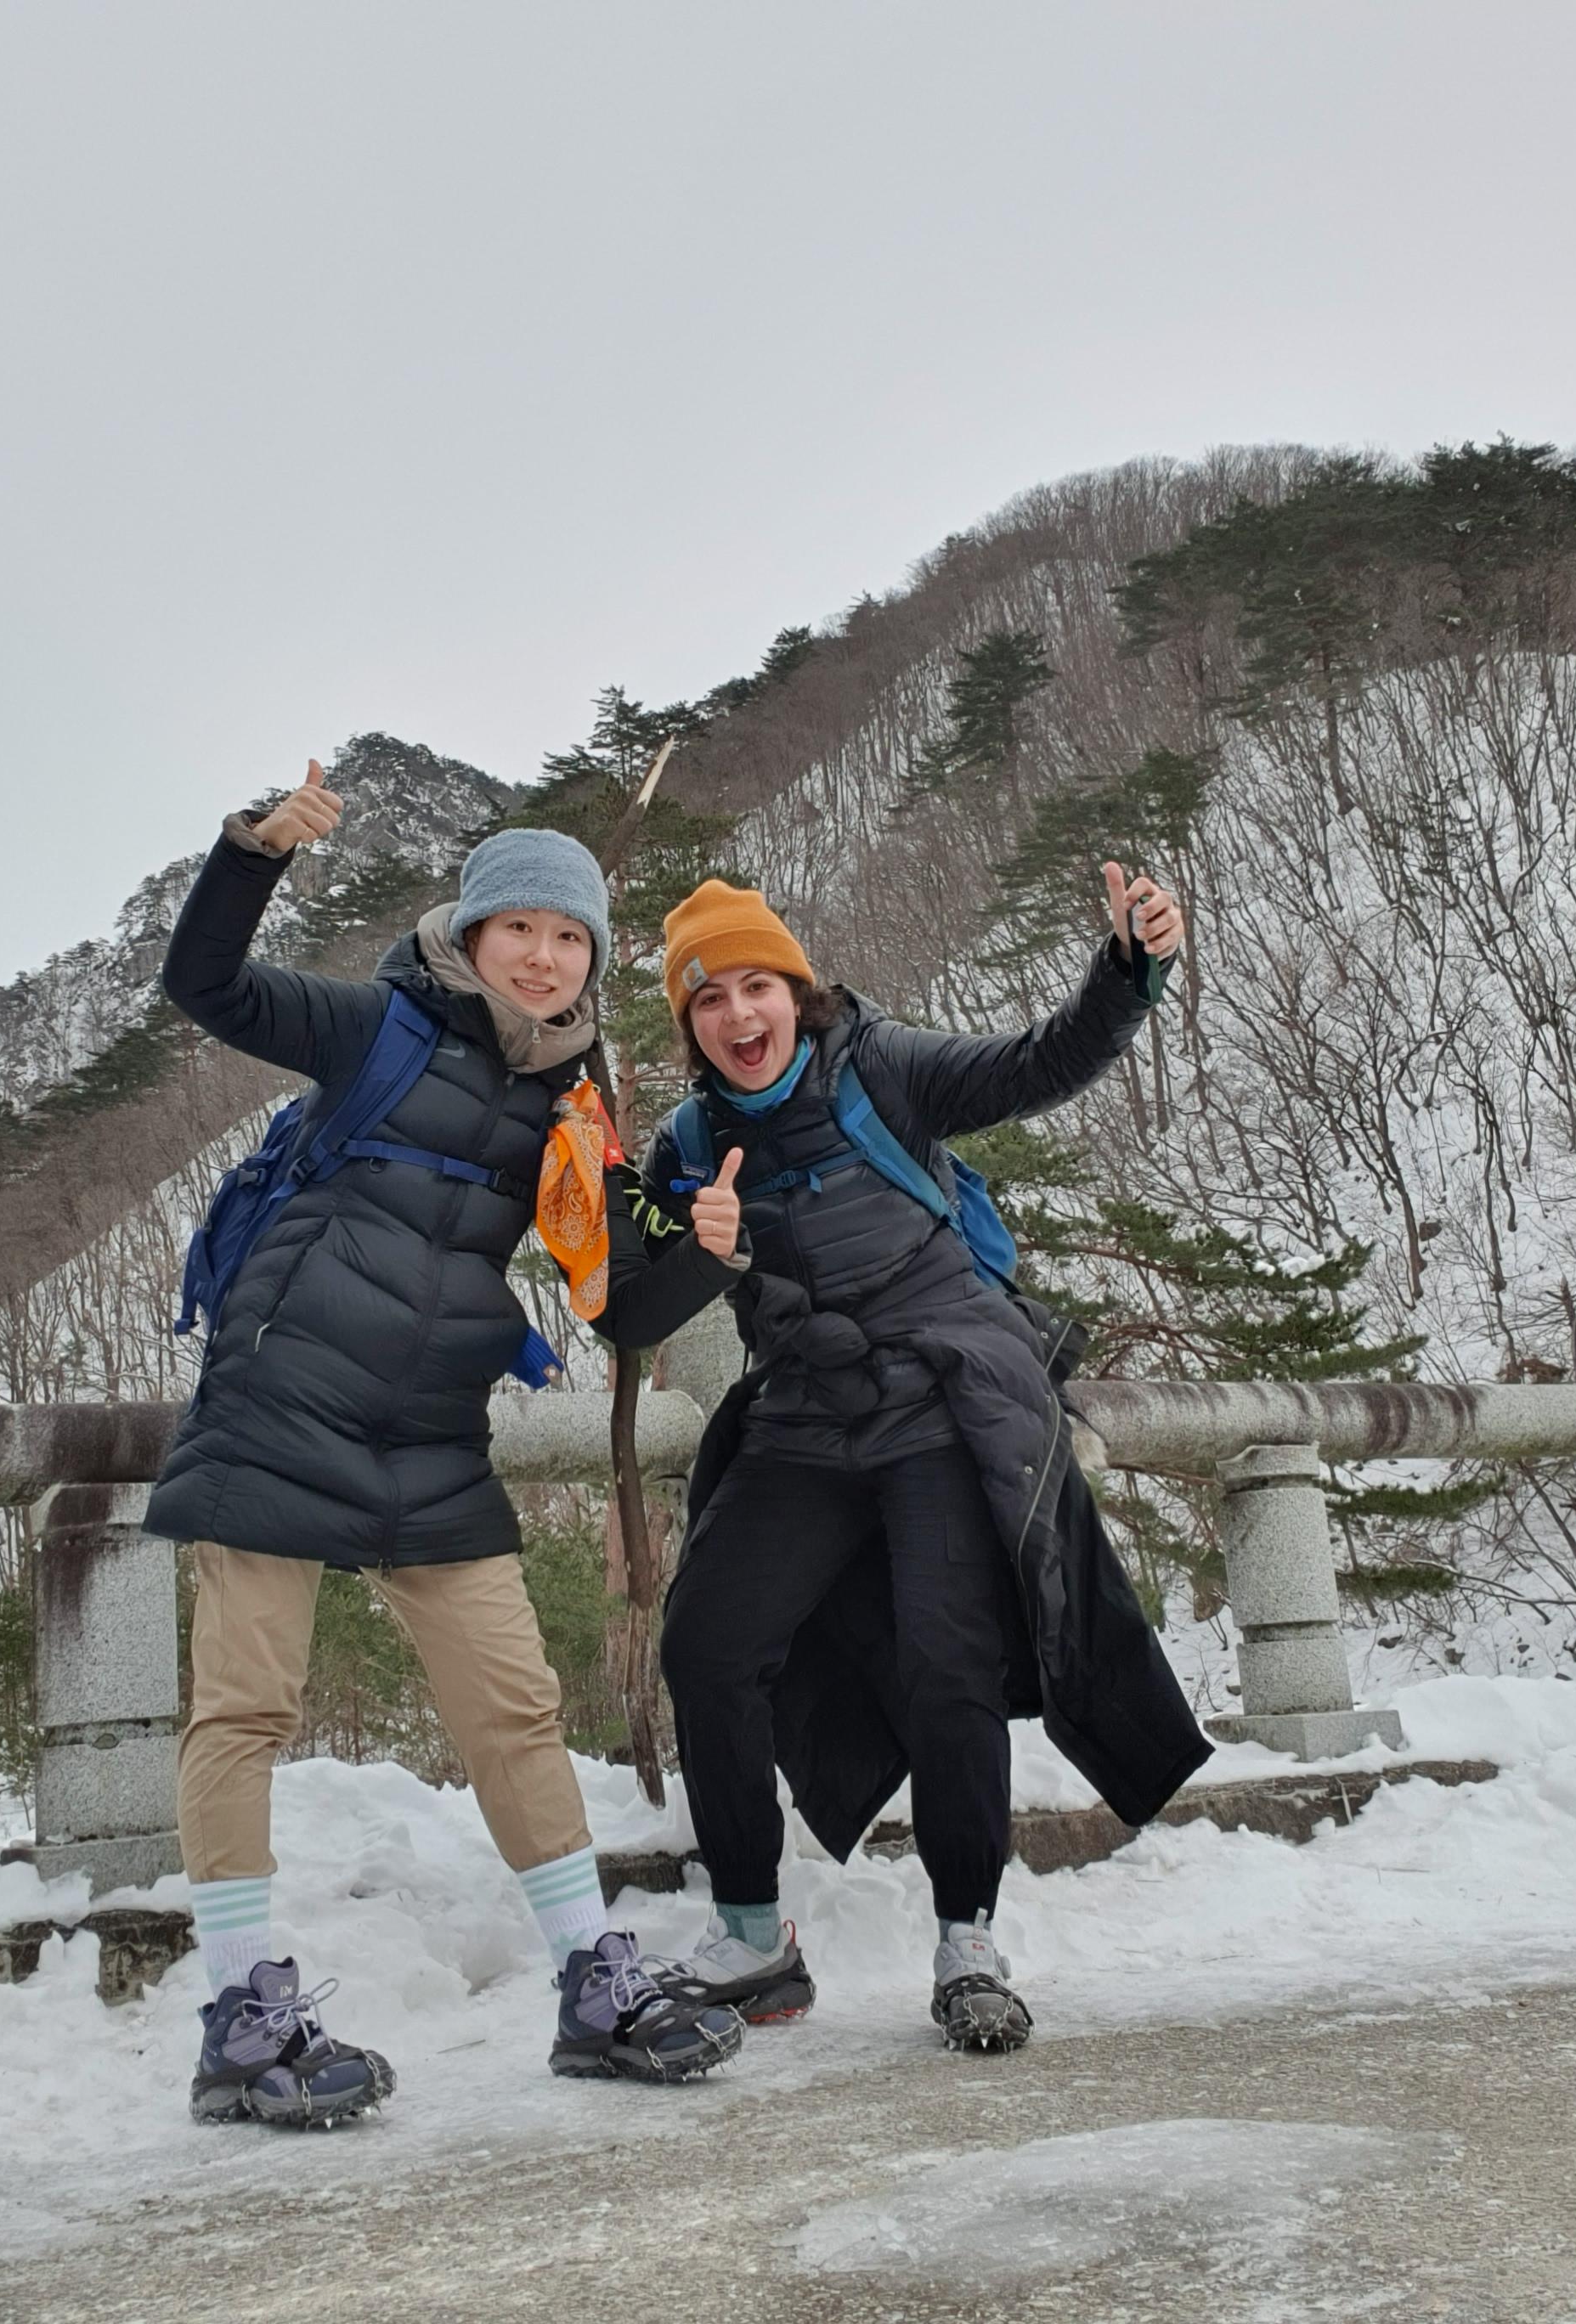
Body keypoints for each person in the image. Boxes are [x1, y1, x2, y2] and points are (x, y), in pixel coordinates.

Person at [148, 763, 748, 2126]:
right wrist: (252, 854)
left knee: (514, 1708)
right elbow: (207, 985)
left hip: (429, 1428)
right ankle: (240, 2018)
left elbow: (618, 1302)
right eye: (518, 927)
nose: (542, 955)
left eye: (570, 936)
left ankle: (592, 1980)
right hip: (282, 1396)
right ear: (469, 934)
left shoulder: (575, 1106)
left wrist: (706, 1254)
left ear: (591, 959)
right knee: (246, 1709)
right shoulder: (379, 1027)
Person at [638, 865, 1212, 2050]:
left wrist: (1128, 970)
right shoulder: (688, 1143)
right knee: (708, 1641)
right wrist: (683, 1241)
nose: (740, 1017)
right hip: (805, 1415)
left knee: (950, 1663)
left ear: (797, 991)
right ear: (690, 1026)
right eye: (710, 1000)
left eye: (758, 987)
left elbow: (1036, 1064)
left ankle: (968, 1940)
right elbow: (633, 1289)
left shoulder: (881, 1068)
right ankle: (752, 1938)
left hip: (939, 1402)